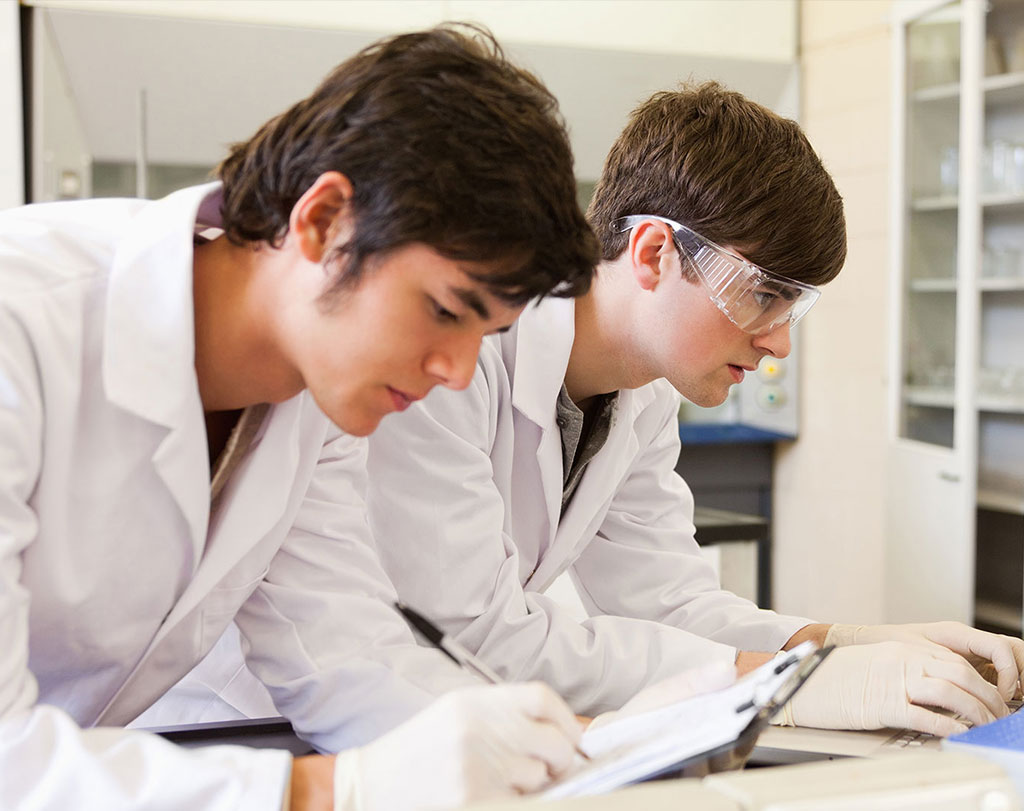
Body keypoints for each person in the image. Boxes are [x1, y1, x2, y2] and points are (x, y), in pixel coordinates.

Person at [0, 25, 602, 811]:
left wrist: (564, 758)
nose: (458, 371)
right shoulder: (21, 321)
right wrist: (325, 788)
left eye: (484, 336)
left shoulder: (306, 396)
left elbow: (341, 650)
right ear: (323, 222)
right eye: (446, 310)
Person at [363, 82, 1024, 735]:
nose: (779, 342)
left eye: (792, 306)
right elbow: (483, 633)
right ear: (654, 252)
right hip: (316, 725)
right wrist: (786, 684)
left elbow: (669, 603)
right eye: (763, 293)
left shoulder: (642, 394)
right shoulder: (458, 354)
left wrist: (852, 645)